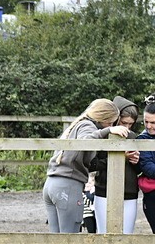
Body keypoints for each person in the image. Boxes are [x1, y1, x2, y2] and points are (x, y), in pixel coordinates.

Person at [42, 99, 130, 233]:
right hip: (67, 186)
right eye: (110, 122)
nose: (111, 125)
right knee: (70, 239)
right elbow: (85, 142)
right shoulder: (87, 126)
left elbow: (89, 161)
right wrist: (108, 130)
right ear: (103, 118)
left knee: (56, 240)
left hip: (52, 184)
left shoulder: (77, 124)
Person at [88, 96, 141, 234]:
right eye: (124, 123)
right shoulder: (102, 136)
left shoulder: (133, 137)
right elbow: (93, 164)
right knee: (103, 234)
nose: (127, 128)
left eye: (131, 124)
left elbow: (138, 170)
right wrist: (120, 157)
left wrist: (136, 161)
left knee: (127, 235)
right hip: (104, 190)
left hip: (129, 193)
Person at [136, 98, 155, 233]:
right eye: (146, 122)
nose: (148, 126)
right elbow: (148, 167)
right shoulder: (142, 139)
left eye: (153, 122)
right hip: (152, 194)